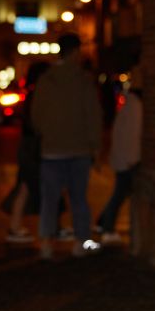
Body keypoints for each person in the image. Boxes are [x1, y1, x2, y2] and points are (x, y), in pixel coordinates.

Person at [30, 33, 103, 259]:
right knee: (78, 198)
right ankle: (81, 242)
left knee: (50, 200)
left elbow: (36, 115)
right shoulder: (83, 80)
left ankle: (46, 243)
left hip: (51, 150)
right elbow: (93, 115)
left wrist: (47, 132)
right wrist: (95, 146)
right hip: (79, 149)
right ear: (76, 52)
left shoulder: (47, 79)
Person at [1, 61, 51, 243]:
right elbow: (35, 124)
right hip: (32, 148)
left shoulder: (33, 94)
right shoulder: (37, 95)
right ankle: (15, 228)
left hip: (29, 147)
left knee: (26, 186)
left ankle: (15, 227)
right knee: (26, 187)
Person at [95, 69, 143, 244]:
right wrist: (132, 158)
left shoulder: (129, 104)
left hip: (123, 157)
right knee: (120, 193)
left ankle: (103, 221)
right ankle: (107, 226)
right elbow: (132, 134)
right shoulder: (135, 106)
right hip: (127, 159)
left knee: (120, 192)